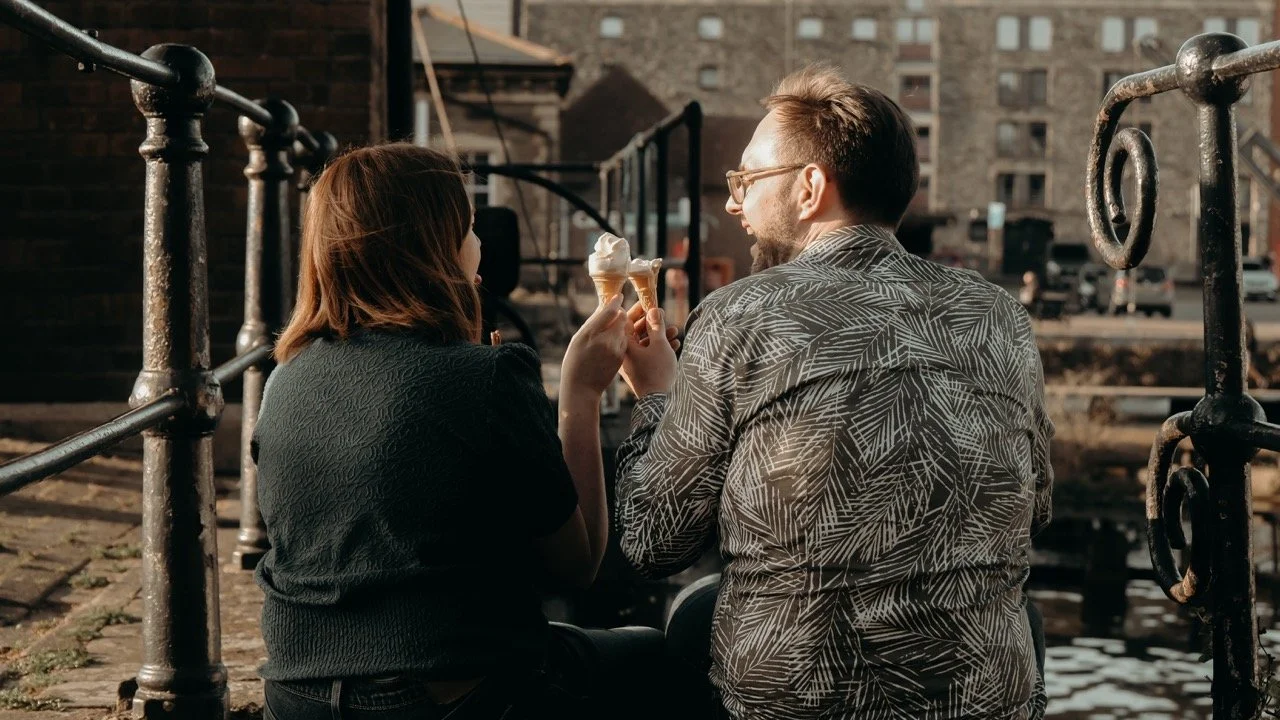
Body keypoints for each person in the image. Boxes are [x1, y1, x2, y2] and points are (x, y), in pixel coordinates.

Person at [615, 64, 1053, 719]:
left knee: (692, 613)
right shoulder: (999, 316)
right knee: (1022, 615)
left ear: (810, 186)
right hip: (986, 699)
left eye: (746, 181)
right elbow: (1034, 510)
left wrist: (656, 397)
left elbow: (653, 541)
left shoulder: (740, 313)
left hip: (804, 701)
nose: (734, 202)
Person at [250, 144, 673, 720]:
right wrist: (581, 392)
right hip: (445, 696)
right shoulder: (488, 376)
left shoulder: (285, 379)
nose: (479, 245)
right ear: (434, 244)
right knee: (659, 654)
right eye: (469, 228)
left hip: (295, 694)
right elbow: (577, 565)